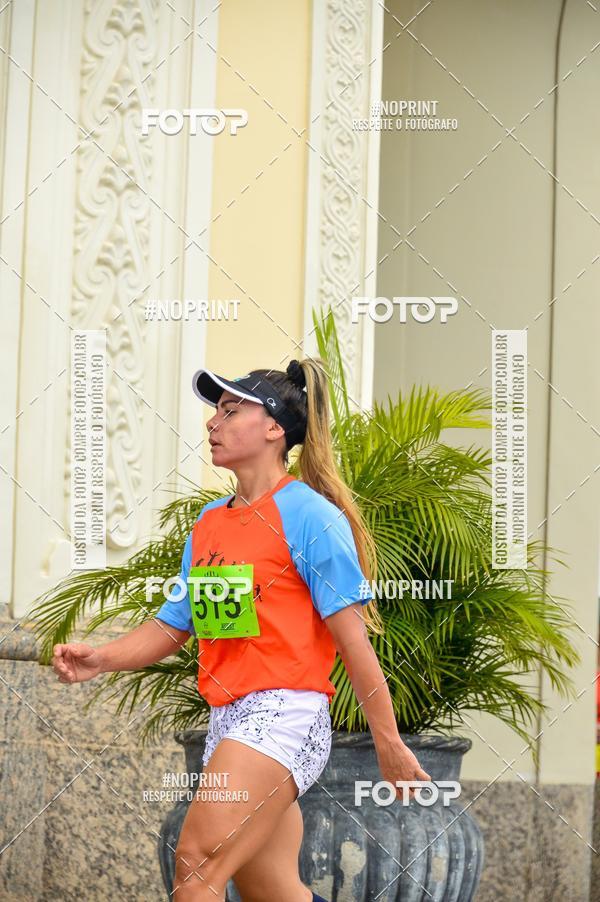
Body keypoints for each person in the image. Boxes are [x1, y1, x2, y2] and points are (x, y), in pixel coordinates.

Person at [52, 357, 431, 902]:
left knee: (195, 862)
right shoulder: (209, 523)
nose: (213, 423)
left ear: (275, 429)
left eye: (231, 411)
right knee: (272, 889)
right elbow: (174, 624)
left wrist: (388, 742)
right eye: (215, 413)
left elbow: (353, 643)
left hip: (285, 713)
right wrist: (102, 657)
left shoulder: (309, 516)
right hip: (230, 718)